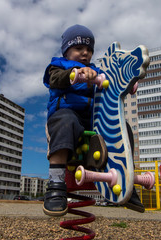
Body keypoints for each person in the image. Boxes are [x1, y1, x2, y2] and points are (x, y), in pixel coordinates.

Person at [42, 24, 144, 217]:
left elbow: (113, 81)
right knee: (66, 120)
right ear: (66, 50)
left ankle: (125, 180)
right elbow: (55, 79)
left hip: (92, 123)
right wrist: (76, 74)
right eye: (79, 48)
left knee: (123, 128)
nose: (85, 53)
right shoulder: (58, 66)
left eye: (89, 50)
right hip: (66, 118)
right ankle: (55, 184)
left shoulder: (97, 71)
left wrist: (127, 81)